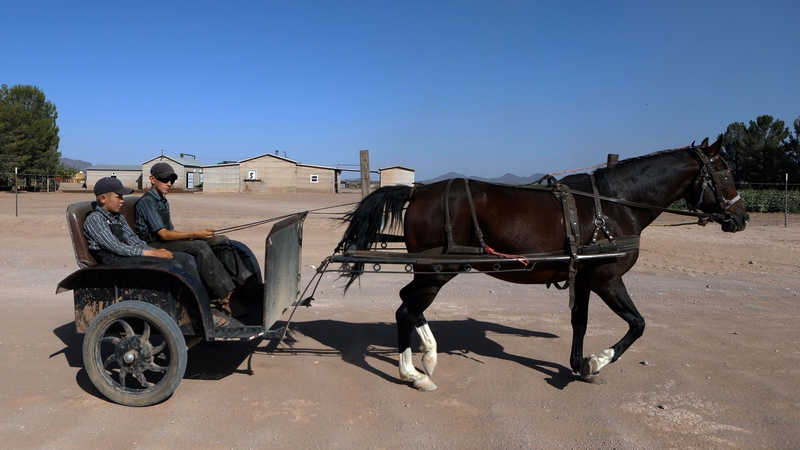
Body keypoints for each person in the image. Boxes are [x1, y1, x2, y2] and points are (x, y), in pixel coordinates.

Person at [84, 177, 228, 326]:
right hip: (115, 262)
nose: (122, 201)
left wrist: (155, 250)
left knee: (185, 260)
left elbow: (134, 240)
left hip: (127, 257)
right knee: (173, 264)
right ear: (102, 199)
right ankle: (190, 313)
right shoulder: (95, 220)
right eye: (118, 197)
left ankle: (200, 307)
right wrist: (152, 254)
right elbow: (116, 247)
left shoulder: (118, 217)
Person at [134, 162, 253, 318]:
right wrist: (195, 235)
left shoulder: (162, 200)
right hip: (154, 245)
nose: (169, 184)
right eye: (164, 180)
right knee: (199, 246)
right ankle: (227, 299)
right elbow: (163, 235)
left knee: (221, 240)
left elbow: (171, 231)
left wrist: (192, 235)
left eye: (171, 180)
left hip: (165, 239)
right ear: (152, 179)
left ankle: (247, 285)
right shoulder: (147, 201)